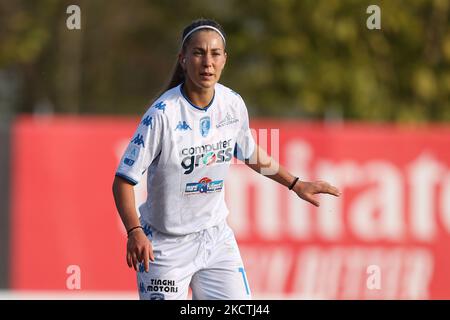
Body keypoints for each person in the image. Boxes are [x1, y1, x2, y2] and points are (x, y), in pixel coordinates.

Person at [112, 18, 340, 300]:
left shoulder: (232, 104)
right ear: (183, 59)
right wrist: (134, 231)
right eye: (198, 53)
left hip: (215, 239)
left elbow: (250, 152)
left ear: (224, 60)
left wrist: (295, 183)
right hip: (164, 246)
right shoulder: (163, 114)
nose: (207, 62)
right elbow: (123, 180)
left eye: (215, 53)